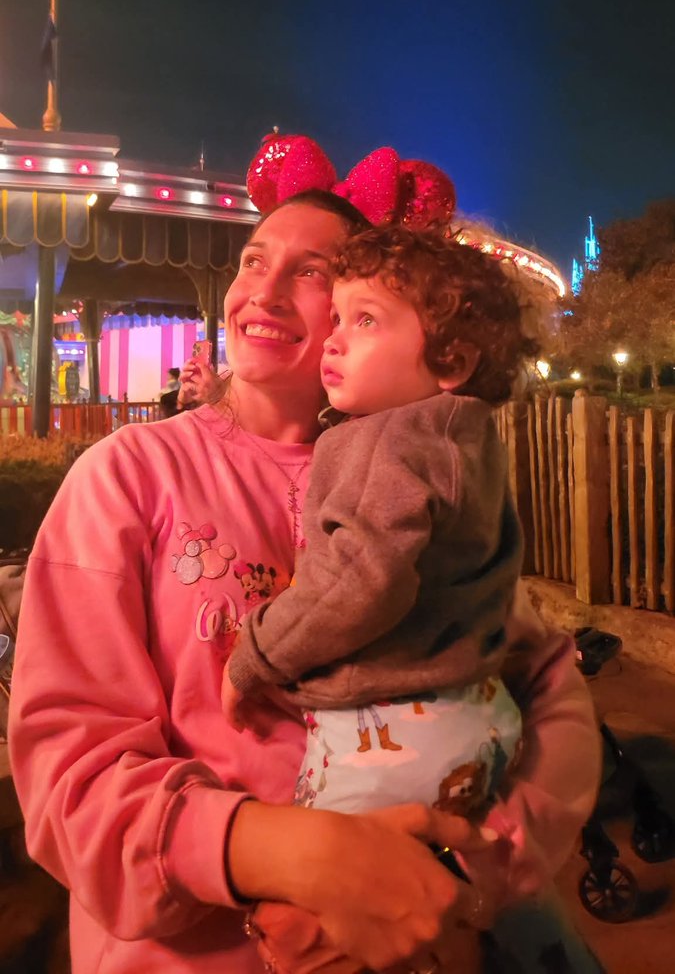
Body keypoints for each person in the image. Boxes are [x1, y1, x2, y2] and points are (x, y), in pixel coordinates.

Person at [8, 135, 601, 974]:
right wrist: (292, 858)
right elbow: (69, 773)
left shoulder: (419, 473)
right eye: (253, 260)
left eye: (311, 272)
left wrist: (462, 876)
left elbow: (545, 685)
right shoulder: (128, 476)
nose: (263, 290)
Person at [223, 223, 603, 974]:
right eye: (338, 316)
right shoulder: (464, 438)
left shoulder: (385, 440)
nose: (335, 338)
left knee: (334, 916)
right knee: (476, 899)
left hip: (391, 730)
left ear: (451, 361)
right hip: (476, 710)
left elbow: (361, 579)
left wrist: (255, 653)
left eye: (364, 320)